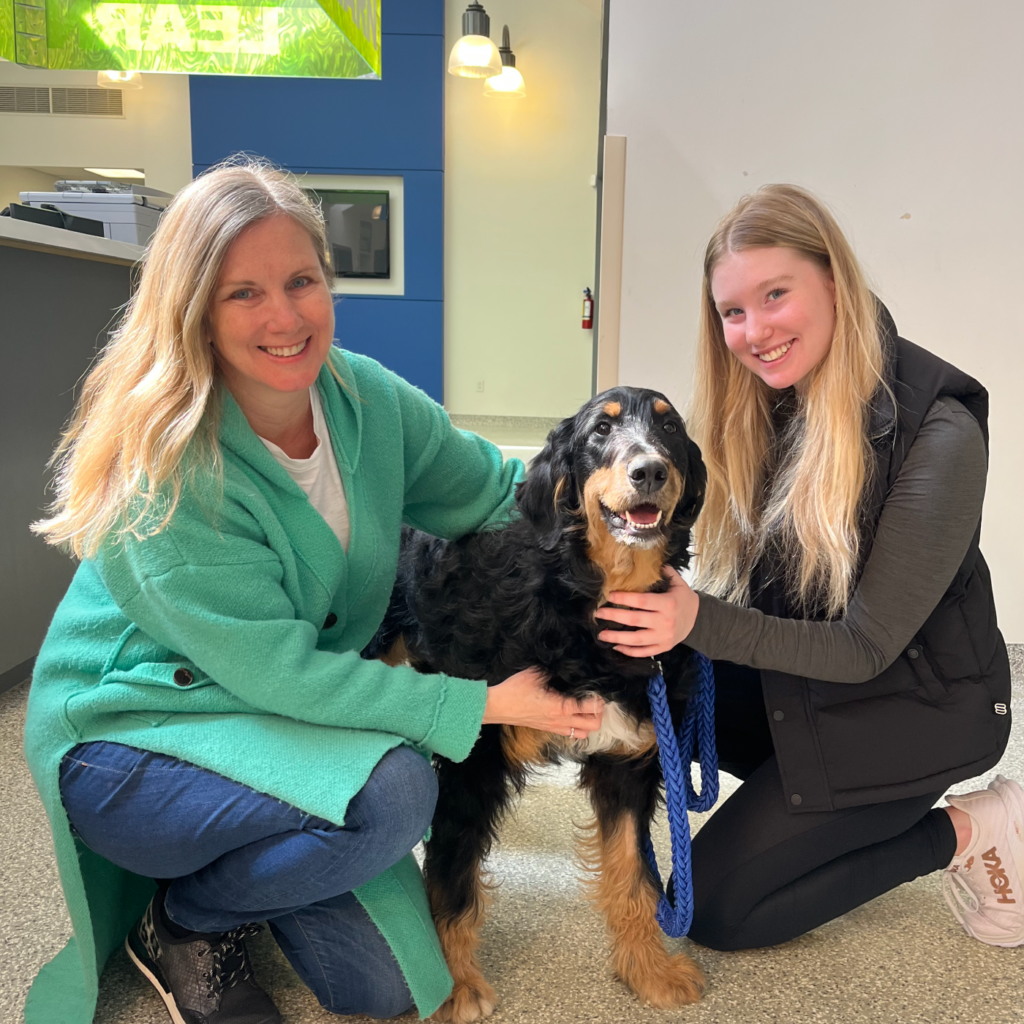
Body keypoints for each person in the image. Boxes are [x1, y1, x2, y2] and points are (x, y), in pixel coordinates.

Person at [23, 159, 605, 1024]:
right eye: (244, 294)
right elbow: (286, 673)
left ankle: (248, 861)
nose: (286, 317)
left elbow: (495, 492)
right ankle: (185, 919)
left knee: (390, 989)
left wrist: (622, 534)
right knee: (396, 791)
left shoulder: (367, 400)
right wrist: (480, 703)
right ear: (195, 312)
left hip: (268, 714)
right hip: (135, 735)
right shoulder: (170, 472)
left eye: (301, 281)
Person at [595, 183, 1023, 952]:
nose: (754, 332)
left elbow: (865, 646)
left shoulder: (940, 432)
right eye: (732, 311)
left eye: (775, 295)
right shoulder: (767, 399)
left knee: (714, 911)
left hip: (914, 713)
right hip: (815, 684)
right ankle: (811, 804)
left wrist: (696, 618)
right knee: (649, 682)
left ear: (833, 279)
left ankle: (970, 830)